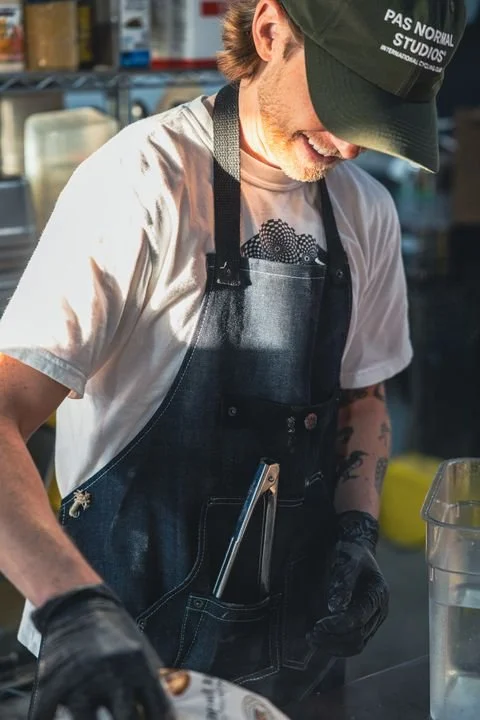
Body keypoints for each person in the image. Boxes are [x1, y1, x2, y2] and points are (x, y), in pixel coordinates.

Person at [0, 0, 465, 718]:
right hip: (123, 659)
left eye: (378, 121)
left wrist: (355, 530)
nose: (349, 147)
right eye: (346, 102)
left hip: (298, 655)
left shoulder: (365, 209)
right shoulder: (143, 183)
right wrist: (72, 608)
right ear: (272, 30)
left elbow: (361, 399)